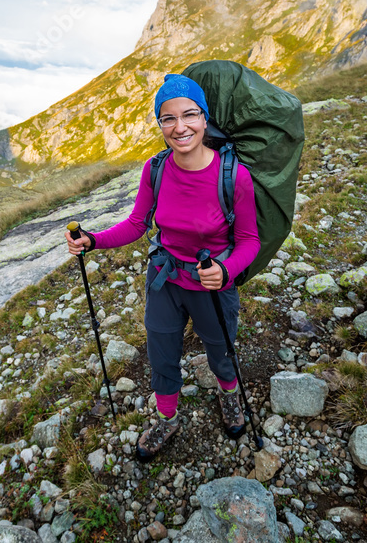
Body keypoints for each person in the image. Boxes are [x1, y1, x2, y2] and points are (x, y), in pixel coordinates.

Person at [65, 74, 260, 461]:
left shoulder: (233, 176)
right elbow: (138, 224)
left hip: (211, 283)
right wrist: (94, 239)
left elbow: (250, 241)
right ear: (160, 125)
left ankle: (229, 394)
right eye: (167, 119)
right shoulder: (155, 170)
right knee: (161, 353)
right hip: (165, 280)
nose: (179, 127)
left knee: (220, 349)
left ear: (205, 120)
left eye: (189, 115)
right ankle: (167, 418)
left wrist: (225, 270)